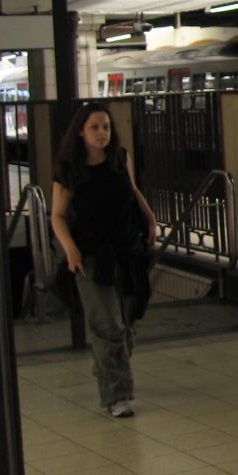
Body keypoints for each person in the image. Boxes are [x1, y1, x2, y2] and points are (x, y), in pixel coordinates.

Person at [51, 102, 157, 418]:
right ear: (81, 132)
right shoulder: (69, 170)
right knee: (107, 325)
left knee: (127, 321)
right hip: (91, 257)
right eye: (95, 127)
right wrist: (70, 249)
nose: (102, 133)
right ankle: (117, 395)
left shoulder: (119, 158)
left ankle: (109, 372)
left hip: (127, 250)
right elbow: (57, 214)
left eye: (106, 127)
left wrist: (149, 218)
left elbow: (132, 190)